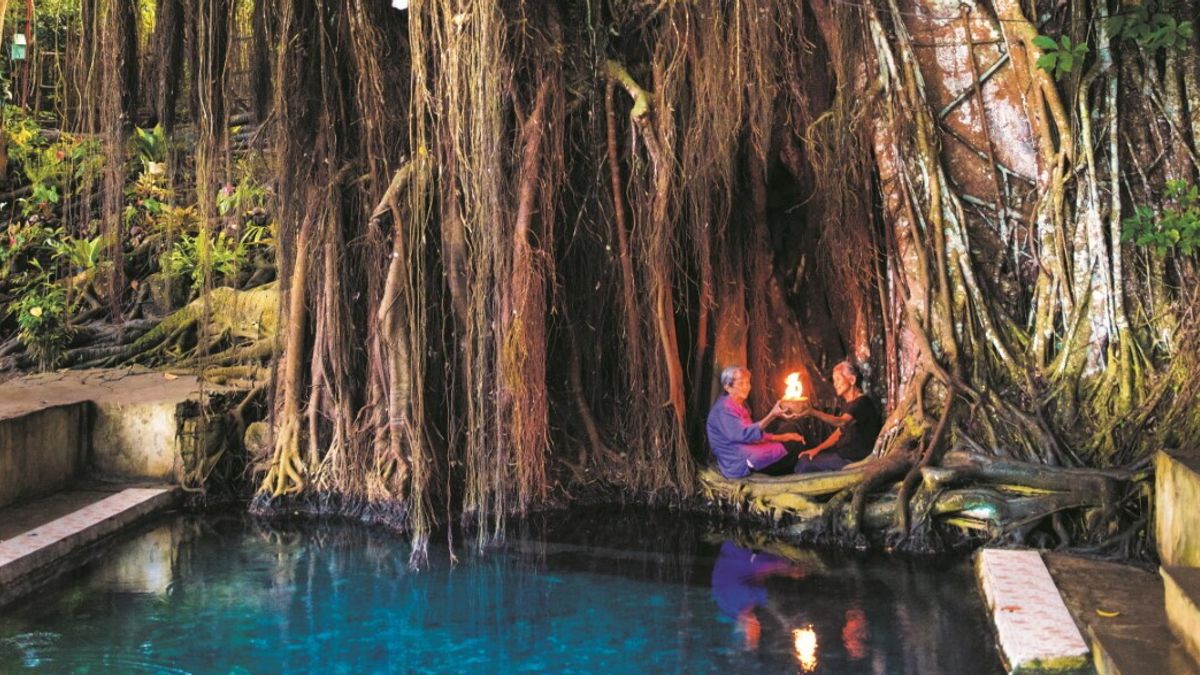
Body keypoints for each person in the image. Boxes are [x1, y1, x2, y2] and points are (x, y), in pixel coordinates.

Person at [706, 366, 805, 478]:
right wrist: (772, 415)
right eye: (741, 384)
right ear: (728, 387)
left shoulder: (738, 405)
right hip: (738, 462)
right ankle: (790, 473)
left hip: (748, 449)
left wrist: (781, 437)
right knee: (792, 445)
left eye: (747, 383)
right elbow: (745, 434)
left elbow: (752, 435)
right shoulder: (724, 409)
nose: (746, 387)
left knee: (790, 431)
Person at [793, 360, 882, 473]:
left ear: (852, 380)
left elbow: (842, 422)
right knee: (804, 459)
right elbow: (840, 431)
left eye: (838, 379)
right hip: (842, 455)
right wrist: (817, 449)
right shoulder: (848, 404)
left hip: (853, 460)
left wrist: (813, 412)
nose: (835, 385)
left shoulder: (862, 403)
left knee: (804, 465)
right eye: (834, 381)